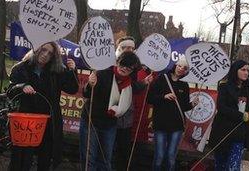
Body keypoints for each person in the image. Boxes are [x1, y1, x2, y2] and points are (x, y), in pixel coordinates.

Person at [7, 42, 79, 170]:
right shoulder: (20, 68)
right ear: (36, 49)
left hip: (49, 122)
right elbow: (10, 91)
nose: (46, 55)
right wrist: (22, 87)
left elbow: (72, 89)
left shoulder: (57, 71)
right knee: (22, 160)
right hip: (26, 123)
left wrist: (72, 71)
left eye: (50, 53)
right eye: (43, 50)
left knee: (46, 159)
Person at [79, 51, 142, 171]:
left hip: (110, 124)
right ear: (117, 62)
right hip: (92, 121)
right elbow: (86, 93)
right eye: (123, 65)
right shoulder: (103, 73)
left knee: (106, 158)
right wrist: (90, 84)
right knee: (89, 157)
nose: (124, 69)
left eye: (129, 68)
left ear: (132, 70)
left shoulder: (129, 83)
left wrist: (145, 82)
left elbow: (137, 88)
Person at [147, 58, 199, 171]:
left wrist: (193, 104)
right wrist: (164, 97)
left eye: (185, 68)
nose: (181, 69)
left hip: (177, 126)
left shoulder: (184, 85)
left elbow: (184, 106)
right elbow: (149, 98)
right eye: (180, 66)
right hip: (160, 124)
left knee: (171, 157)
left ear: (186, 71)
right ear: (175, 65)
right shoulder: (162, 79)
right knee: (159, 156)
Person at [209, 60, 249, 171]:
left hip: (239, 132)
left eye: (248, 70)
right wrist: (240, 115)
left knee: (233, 167)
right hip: (223, 131)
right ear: (235, 70)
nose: (246, 73)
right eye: (243, 70)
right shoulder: (224, 86)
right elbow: (221, 107)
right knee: (220, 165)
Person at [114, 36, 153, 171]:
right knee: (109, 150)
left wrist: (143, 83)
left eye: (132, 47)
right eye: (126, 47)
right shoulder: (109, 64)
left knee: (124, 151)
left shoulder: (135, 66)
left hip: (126, 118)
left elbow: (133, 87)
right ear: (119, 48)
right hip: (108, 118)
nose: (129, 50)